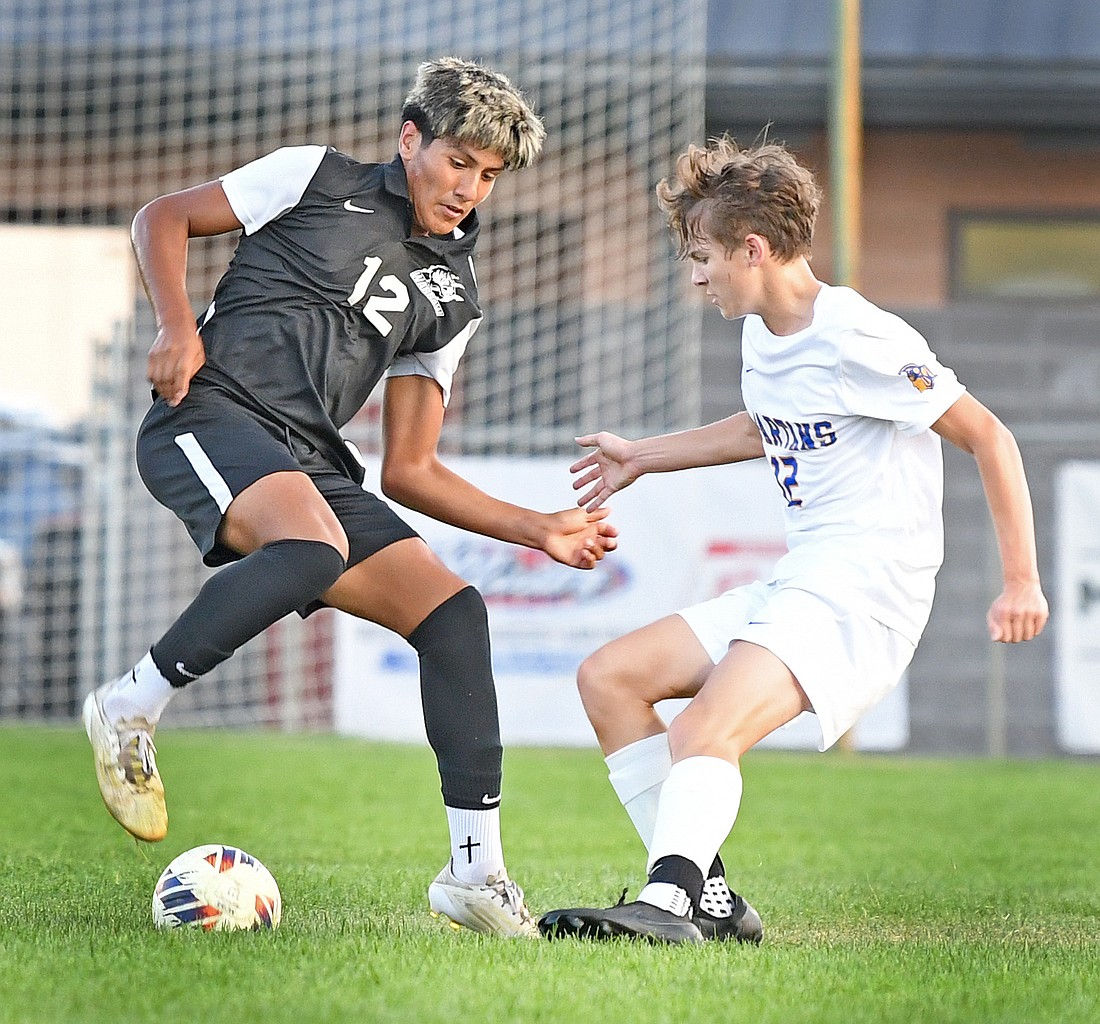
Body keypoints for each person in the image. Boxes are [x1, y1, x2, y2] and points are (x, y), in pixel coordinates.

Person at [82, 56, 618, 938]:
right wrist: (178, 327)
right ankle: (130, 704)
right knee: (314, 545)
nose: (469, 188)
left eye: (488, 176)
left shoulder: (456, 295)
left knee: (454, 617)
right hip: (206, 416)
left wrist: (540, 529)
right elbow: (163, 218)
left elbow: (410, 468)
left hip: (312, 464)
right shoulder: (314, 176)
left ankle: (475, 874)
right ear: (411, 138)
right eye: (458, 162)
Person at [538, 136, 1048, 945]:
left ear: (753, 247)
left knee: (707, 728)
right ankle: (708, 901)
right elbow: (760, 426)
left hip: (865, 589)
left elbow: (989, 435)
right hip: (806, 578)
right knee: (610, 678)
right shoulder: (763, 333)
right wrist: (643, 456)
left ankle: (664, 909)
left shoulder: (861, 335)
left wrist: (1022, 579)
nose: (696, 275)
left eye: (703, 256)